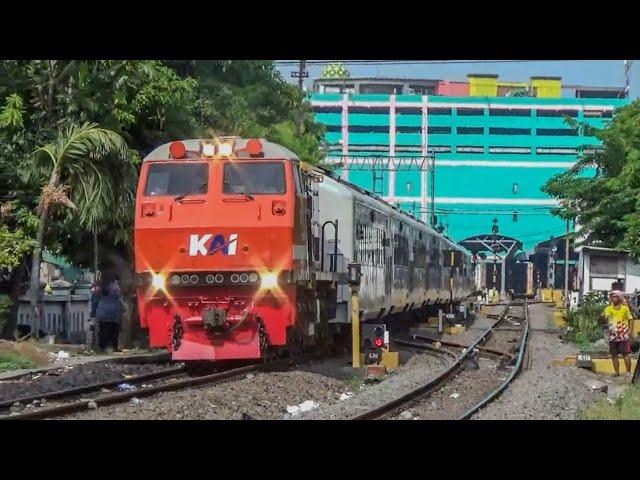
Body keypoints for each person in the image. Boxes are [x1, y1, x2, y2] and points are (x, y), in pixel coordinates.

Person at [602, 290, 635, 377]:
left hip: (623, 334)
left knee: (625, 353)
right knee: (614, 354)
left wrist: (630, 330)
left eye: (615, 296)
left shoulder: (625, 308)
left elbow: (631, 319)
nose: (613, 298)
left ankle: (628, 372)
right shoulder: (608, 309)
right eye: (612, 297)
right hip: (612, 335)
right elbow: (604, 318)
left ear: (620, 298)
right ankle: (617, 372)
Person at [90, 272, 124, 353]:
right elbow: (120, 300)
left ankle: (103, 348)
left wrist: (93, 312)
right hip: (114, 313)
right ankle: (114, 347)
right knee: (114, 332)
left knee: (103, 332)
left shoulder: (98, 288)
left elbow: (94, 301)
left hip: (102, 313)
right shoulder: (116, 288)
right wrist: (123, 310)